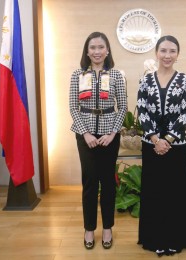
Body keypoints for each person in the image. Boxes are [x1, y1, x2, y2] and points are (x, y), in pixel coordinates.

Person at [136, 35, 186, 256]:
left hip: (177, 145)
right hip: (151, 144)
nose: (167, 55)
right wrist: (155, 139)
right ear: (156, 53)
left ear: (178, 54)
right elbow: (142, 111)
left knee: (175, 193)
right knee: (154, 192)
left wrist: (169, 140)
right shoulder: (145, 80)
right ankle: (154, 239)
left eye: (172, 51)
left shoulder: (185, 80)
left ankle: (175, 238)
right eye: (163, 51)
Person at [69, 32, 127, 250]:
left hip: (109, 135)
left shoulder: (116, 75)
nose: (96, 51)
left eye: (101, 47)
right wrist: (86, 133)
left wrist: (112, 133)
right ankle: (89, 228)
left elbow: (122, 107)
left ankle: (108, 228)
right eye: (92, 47)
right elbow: (73, 107)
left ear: (107, 50)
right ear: (87, 51)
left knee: (108, 183)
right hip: (85, 136)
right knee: (90, 183)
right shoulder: (77, 75)